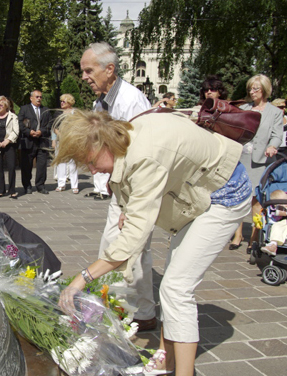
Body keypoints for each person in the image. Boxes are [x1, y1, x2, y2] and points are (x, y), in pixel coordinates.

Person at [55, 109, 252, 376]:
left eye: (90, 161)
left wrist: (81, 279)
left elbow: (133, 237)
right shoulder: (124, 136)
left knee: (176, 288)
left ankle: (184, 373)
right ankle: (165, 359)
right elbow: (137, 189)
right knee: (172, 283)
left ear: (102, 142)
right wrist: (129, 209)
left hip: (222, 192)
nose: (93, 171)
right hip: (197, 190)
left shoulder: (144, 154)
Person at [79, 42, 156, 331]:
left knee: (126, 248)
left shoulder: (131, 101)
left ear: (109, 69)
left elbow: (141, 154)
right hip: (121, 186)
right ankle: (140, 311)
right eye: (83, 71)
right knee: (122, 247)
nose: (85, 76)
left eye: (89, 70)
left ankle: (126, 311)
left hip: (137, 187)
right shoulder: (103, 101)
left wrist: (129, 202)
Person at [230, 74, 283, 251]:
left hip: (261, 161)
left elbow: (277, 135)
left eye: (256, 89)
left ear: (265, 91)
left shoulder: (275, 112)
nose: (252, 92)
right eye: (250, 89)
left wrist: (273, 146)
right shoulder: (244, 108)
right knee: (239, 197)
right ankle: (237, 235)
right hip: (242, 158)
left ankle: (255, 235)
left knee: (257, 200)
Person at [17, 90, 52, 195]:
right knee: (26, 165)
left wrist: (41, 131)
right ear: (31, 98)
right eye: (37, 97)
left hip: (42, 141)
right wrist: (29, 132)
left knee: (42, 165)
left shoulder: (46, 110)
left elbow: (49, 125)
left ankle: (40, 185)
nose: (39, 99)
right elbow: (19, 123)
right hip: (28, 141)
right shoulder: (24, 109)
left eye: (40, 97)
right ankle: (27, 186)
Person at [0, 96, 19, 199]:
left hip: (9, 144)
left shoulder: (13, 116)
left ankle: (12, 191)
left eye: (1, 105)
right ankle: (0, 191)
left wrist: (8, 140)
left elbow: (16, 131)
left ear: (6, 106)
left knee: (11, 167)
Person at [55, 94, 79, 194]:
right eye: (61, 101)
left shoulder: (75, 112)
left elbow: (78, 126)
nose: (61, 103)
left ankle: (75, 185)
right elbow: (54, 126)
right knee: (61, 162)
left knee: (73, 163)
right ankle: (61, 184)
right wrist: (58, 136)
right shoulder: (58, 112)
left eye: (63, 101)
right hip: (60, 140)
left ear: (69, 102)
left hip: (72, 139)